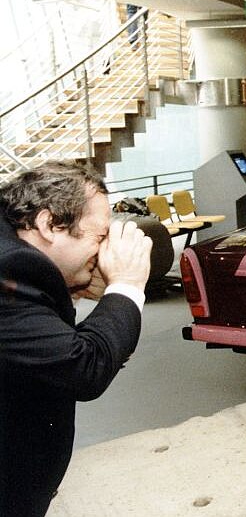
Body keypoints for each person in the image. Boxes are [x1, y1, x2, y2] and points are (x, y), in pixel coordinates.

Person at [0, 161, 151, 516]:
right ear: (49, 224)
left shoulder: (14, 251)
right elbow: (83, 367)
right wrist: (127, 286)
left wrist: (67, 287)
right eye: (98, 237)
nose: (102, 251)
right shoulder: (7, 269)